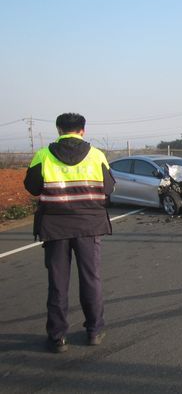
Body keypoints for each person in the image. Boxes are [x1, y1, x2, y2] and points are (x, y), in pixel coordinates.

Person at [24, 113, 115, 353]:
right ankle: (94, 331)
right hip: (89, 226)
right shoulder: (97, 155)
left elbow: (32, 187)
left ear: (59, 130)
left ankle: (57, 337)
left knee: (57, 283)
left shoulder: (43, 155)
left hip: (55, 228)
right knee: (91, 279)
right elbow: (109, 187)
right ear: (82, 131)